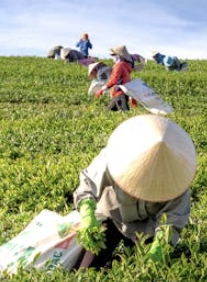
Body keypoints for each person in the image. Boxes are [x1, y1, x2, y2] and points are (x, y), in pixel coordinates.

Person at [73, 114, 197, 268]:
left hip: (147, 227)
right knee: (87, 269)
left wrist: (159, 248)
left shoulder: (177, 181)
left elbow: (172, 221)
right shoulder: (113, 158)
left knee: (146, 271)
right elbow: (87, 185)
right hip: (112, 217)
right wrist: (87, 216)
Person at [96, 45, 136, 111]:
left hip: (119, 94)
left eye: (113, 55)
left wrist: (102, 89)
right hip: (121, 94)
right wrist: (131, 97)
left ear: (119, 55)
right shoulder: (125, 66)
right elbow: (127, 81)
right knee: (107, 112)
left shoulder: (119, 66)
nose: (112, 57)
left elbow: (114, 80)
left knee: (124, 115)